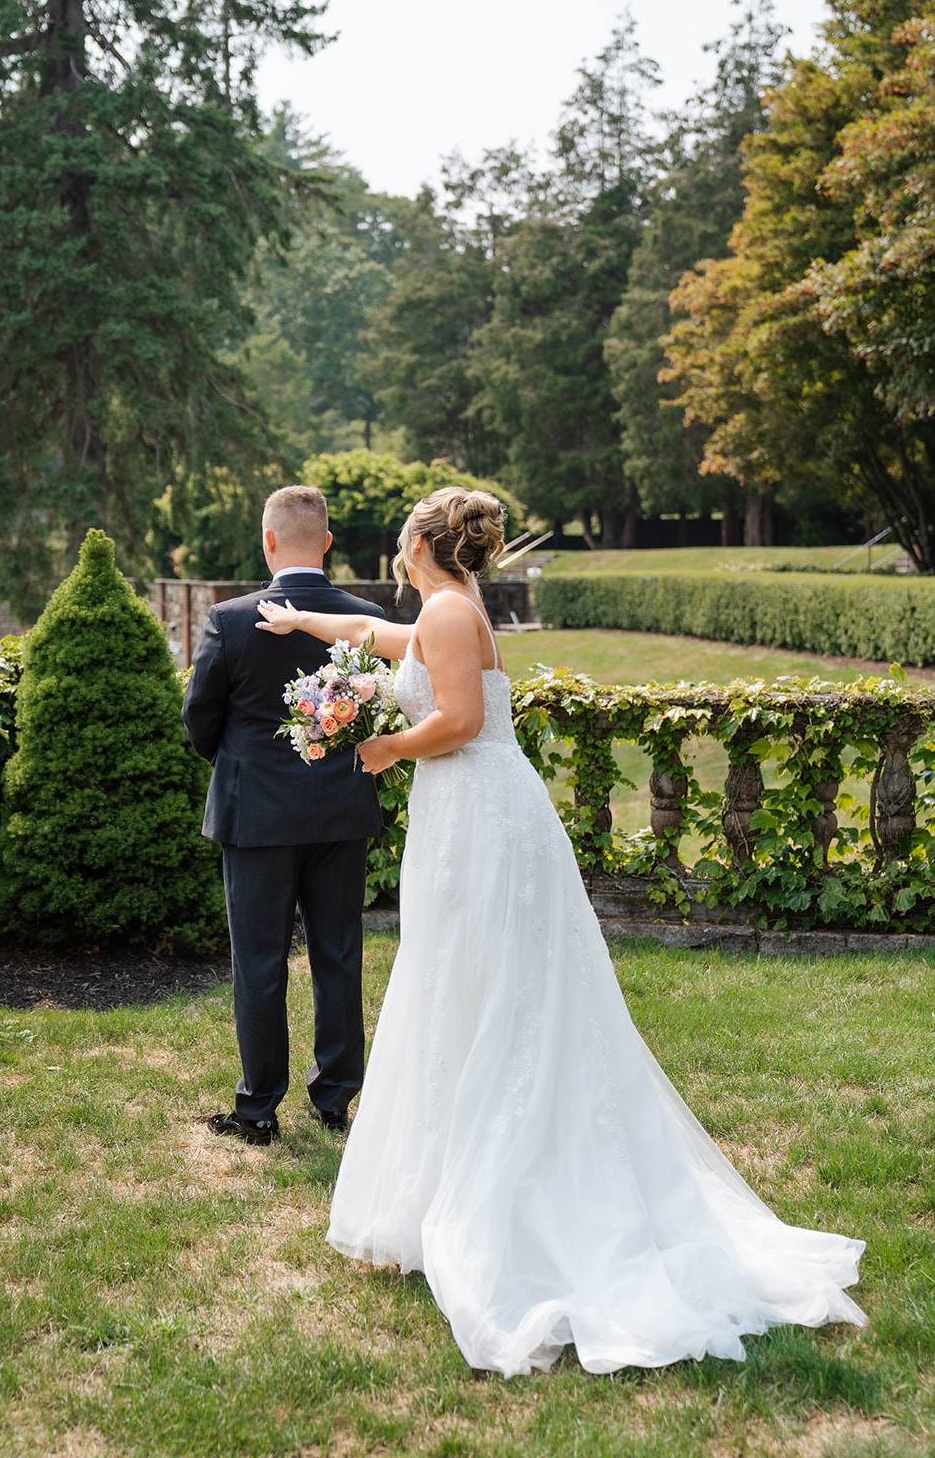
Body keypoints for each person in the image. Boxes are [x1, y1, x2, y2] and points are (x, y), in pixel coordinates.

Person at [254, 485, 867, 1376]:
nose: (392, 536)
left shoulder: (456, 615)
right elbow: (383, 642)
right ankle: (440, 1181)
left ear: (420, 541)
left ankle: (521, 1199)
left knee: (493, 985)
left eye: (401, 527)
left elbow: (459, 721)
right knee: (458, 981)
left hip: (481, 815)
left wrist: (384, 748)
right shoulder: (441, 608)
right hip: (462, 815)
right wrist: (301, 625)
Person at [182, 485, 386, 1144]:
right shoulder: (364, 616)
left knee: (260, 960)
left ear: (268, 540)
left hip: (256, 815)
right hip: (340, 810)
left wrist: (240, 764)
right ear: (326, 542)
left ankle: (257, 1108)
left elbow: (199, 715)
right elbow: (373, 713)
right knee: (338, 952)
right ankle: (334, 1100)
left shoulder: (231, 618)